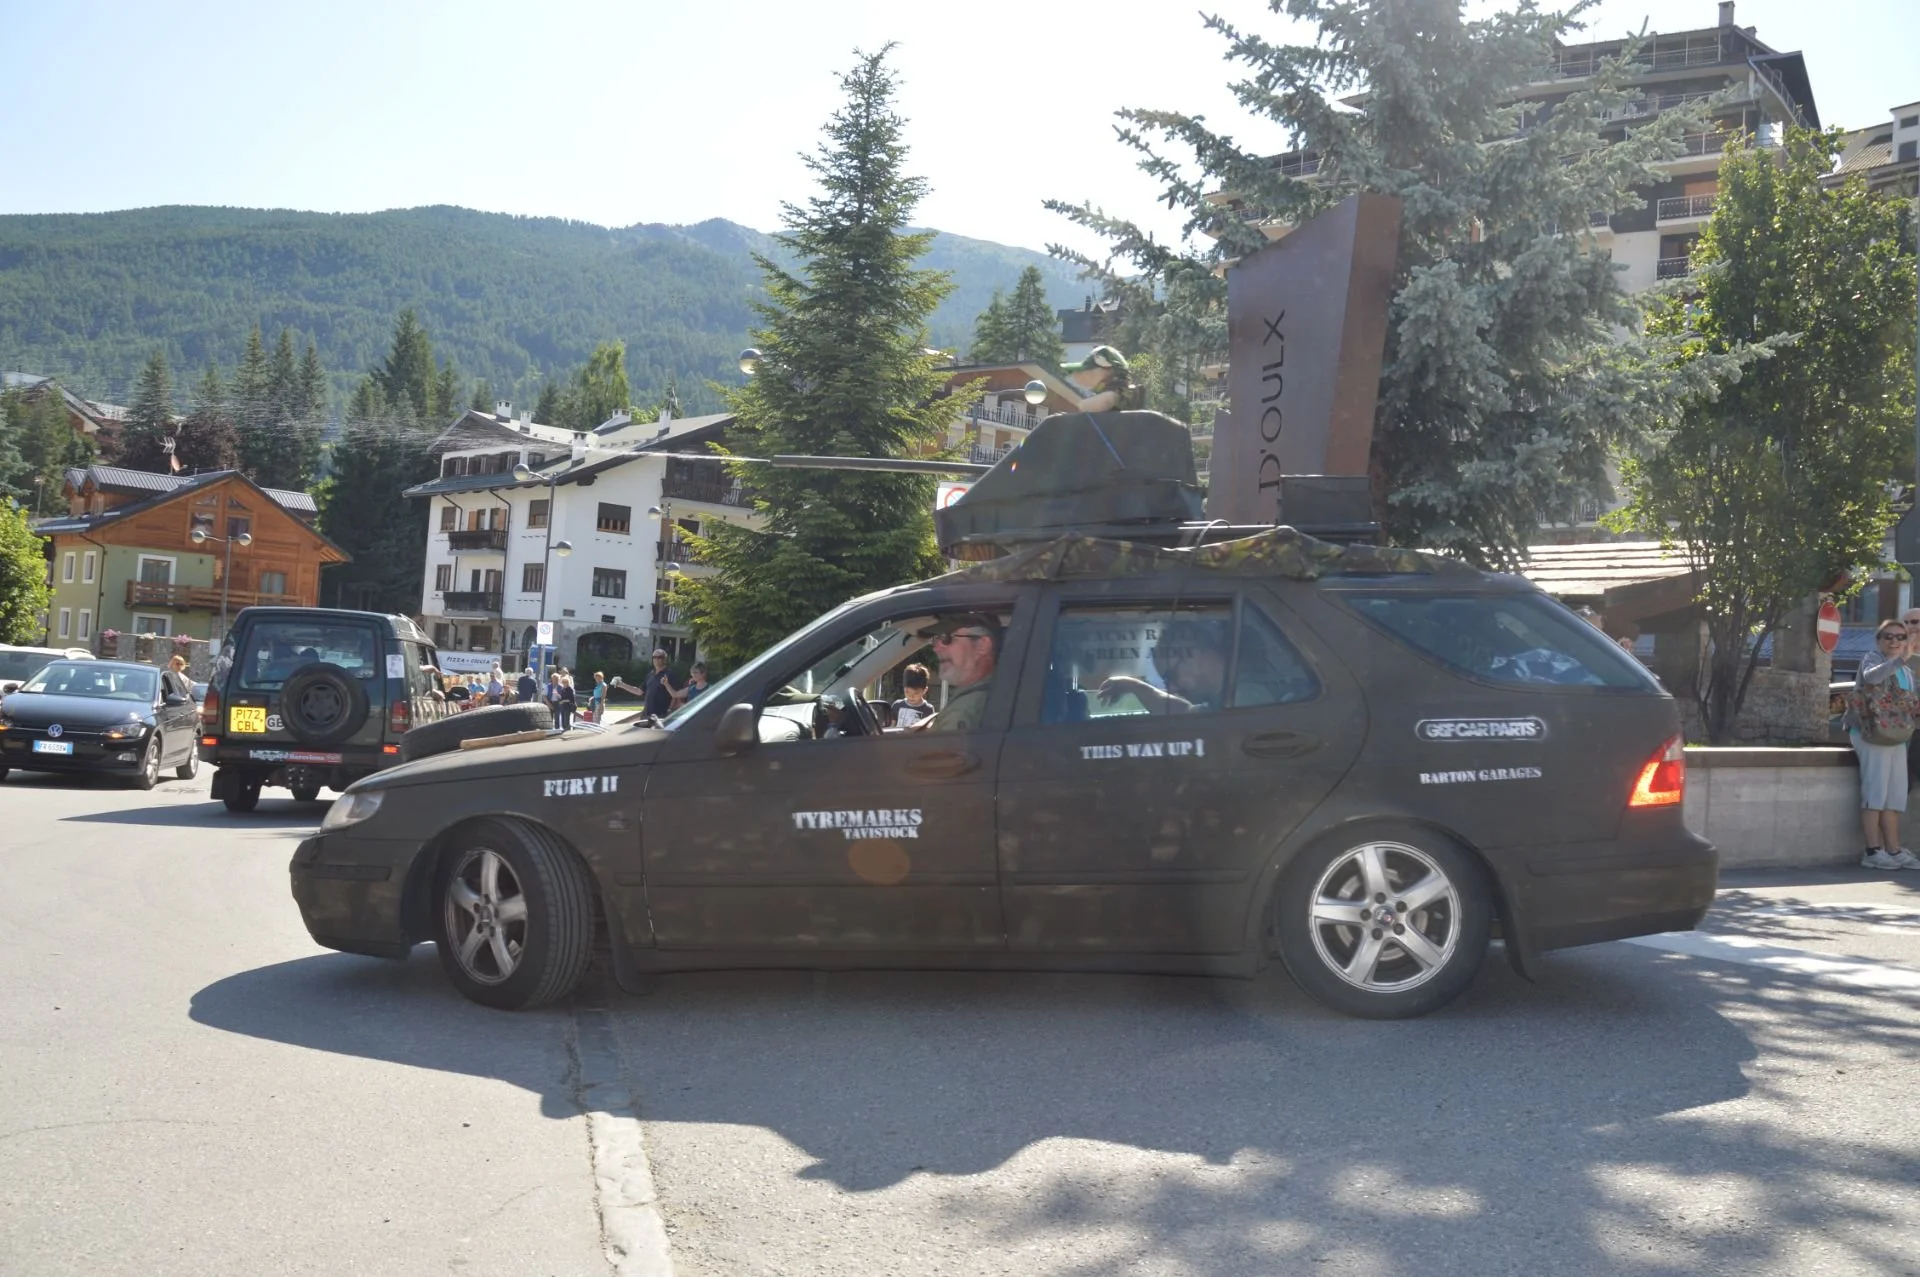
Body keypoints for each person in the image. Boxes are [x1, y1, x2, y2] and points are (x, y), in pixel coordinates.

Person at [1849, 618, 1920, 870]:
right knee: (1875, 792)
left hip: (1896, 736)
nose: (1894, 641)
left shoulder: (1908, 671)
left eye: (1900, 637)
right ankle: (1872, 850)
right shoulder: (1873, 658)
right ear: (1878, 640)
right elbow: (1871, 677)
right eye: (1888, 636)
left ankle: (1894, 849)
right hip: (1872, 732)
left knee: (1894, 795)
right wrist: (1901, 659)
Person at [1097, 620, 1228, 714]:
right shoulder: (1225, 700)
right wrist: (1134, 686)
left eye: (1171, 676)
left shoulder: (1242, 698)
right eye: (1167, 681)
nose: (1171, 689)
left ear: (1198, 656)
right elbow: (1184, 713)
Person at [911, 615, 999, 733]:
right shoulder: (993, 695)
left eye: (947, 638)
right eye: (936, 639)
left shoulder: (962, 713)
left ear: (982, 645)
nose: (936, 648)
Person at [641, 649, 680, 722]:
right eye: (654, 657)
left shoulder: (670, 675)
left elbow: (676, 695)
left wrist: (670, 709)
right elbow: (640, 691)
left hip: (662, 715)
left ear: (665, 659)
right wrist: (622, 685)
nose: (656, 659)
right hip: (647, 714)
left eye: (659, 657)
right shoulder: (650, 674)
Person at [892, 663, 935, 728]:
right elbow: (891, 727)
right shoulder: (897, 705)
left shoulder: (928, 709)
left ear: (924, 690)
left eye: (916, 693)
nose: (911, 696)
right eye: (907, 691)